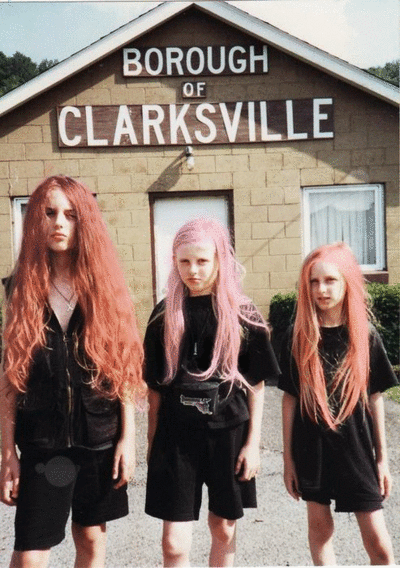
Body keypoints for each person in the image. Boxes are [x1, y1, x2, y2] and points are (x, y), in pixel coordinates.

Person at [0, 175, 145, 568]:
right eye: (49, 213)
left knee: (91, 539)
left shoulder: (104, 288)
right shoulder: (21, 288)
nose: (59, 223)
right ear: (36, 219)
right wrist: (8, 452)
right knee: (30, 555)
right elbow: (11, 376)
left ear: (85, 222)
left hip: (97, 440)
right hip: (44, 445)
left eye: (71, 214)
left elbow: (122, 367)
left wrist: (128, 439)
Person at [143, 217, 280, 568]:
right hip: (176, 438)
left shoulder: (242, 313)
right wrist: (152, 443)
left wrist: (253, 445)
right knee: (174, 544)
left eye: (203, 260)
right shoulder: (164, 315)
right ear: (174, 261)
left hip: (228, 435)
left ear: (221, 259)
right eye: (185, 261)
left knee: (223, 528)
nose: (193, 270)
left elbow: (256, 384)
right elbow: (155, 390)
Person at [278, 242, 398, 566]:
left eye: (330, 280)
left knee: (380, 546)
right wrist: (288, 460)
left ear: (347, 282)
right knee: (320, 530)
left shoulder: (365, 336)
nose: (322, 289)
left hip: (356, 448)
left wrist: (382, 459)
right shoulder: (298, 336)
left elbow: (375, 398)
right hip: (312, 448)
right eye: (314, 282)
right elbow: (289, 399)